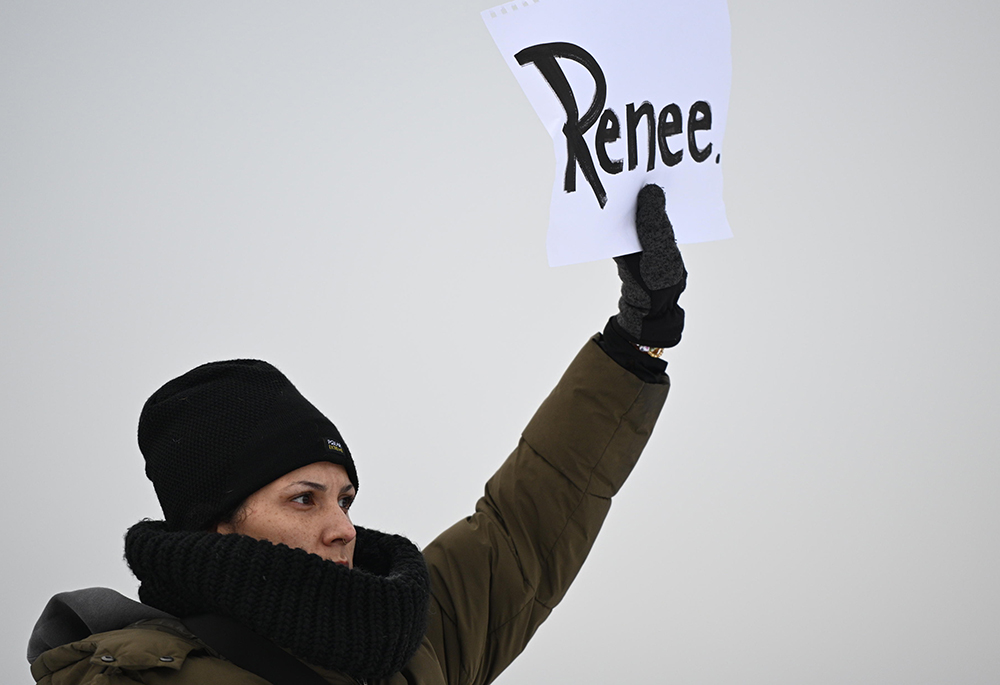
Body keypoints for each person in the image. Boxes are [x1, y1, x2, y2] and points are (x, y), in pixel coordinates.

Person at [27, 184, 687, 685]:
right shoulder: (133, 676)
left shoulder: (408, 639)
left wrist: (638, 338)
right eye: (304, 498)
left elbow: (528, 522)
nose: (342, 526)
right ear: (218, 523)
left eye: (345, 498)